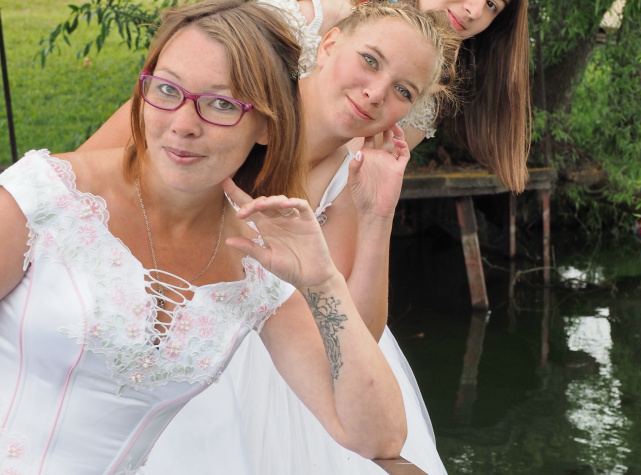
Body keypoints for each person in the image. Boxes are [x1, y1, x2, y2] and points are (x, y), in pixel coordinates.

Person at [0, 2, 411, 473]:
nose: (182, 124)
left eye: (221, 104)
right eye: (167, 89)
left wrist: (323, 283)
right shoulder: (46, 196)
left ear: (267, 125)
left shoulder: (255, 263)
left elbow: (377, 436)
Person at [137, 2, 460, 474]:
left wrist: (377, 215)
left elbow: (355, 337)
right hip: (175, 321)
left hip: (285, 354)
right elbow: (91, 176)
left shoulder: (352, 172)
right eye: (370, 60)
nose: (375, 94)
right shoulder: (237, 100)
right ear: (329, 44)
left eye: (403, 91)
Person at [79, 0, 531, 192]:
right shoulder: (313, 16)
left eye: (493, 5)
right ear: (331, 45)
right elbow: (173, 97)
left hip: (267, 216)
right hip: (167, 162)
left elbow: (334, 185)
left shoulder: (423, 101)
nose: (474, 10)